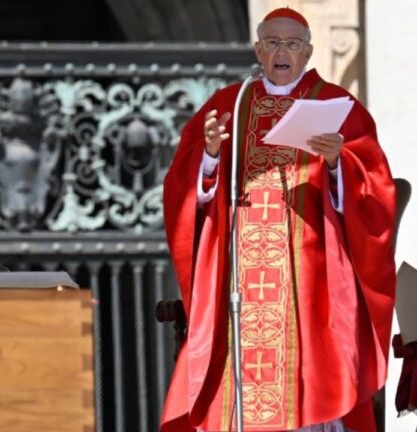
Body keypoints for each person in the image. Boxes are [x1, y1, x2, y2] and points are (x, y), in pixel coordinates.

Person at [160, 7, 396, 432]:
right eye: (272, 42)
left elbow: (374, 189)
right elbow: (184, 187)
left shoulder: (335, 104)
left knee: (315, 367)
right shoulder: (229, 102)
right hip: (241, 274)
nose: (281, 52)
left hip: (312, 272)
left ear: (307, 52)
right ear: (258, 49)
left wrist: (336, 161)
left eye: (291, 44)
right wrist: (210, 154)